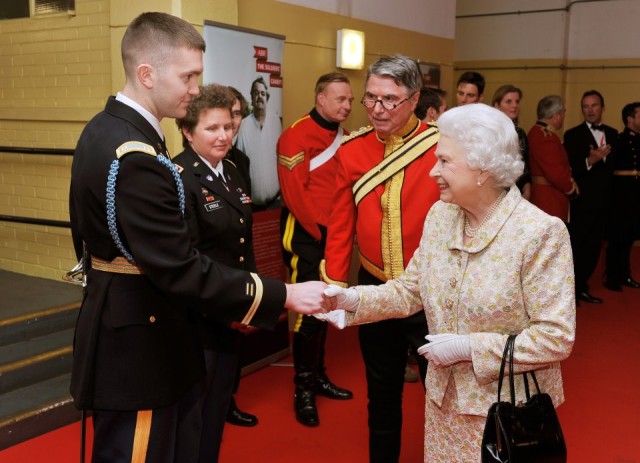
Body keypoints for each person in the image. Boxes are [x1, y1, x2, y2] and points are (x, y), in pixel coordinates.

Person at [68, 12, 327, 462]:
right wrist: (283, 294)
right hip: (140, 341)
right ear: (147, 74)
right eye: (188, 76)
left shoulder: (107, 128)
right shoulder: (137, 154)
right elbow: (180, 266)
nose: (194, 89)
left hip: (127, 319)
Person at [324, 103, 576, 463]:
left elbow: (556, 337)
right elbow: (410, 289)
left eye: (444, 161)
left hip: (505, 413)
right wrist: (352, 301)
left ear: (482, 169)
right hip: (443, 402)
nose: (432, 172)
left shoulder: (539, 234)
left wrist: (468, 348)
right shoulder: (441, 215)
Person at [320, 55, 441, 463]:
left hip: (431, 292)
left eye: (390, 100)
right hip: (374, 290)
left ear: (415, 99)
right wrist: (335, 287)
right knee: (382, 394)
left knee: (442, 395)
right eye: (370, 99)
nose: (377, 110)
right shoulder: (352, 149)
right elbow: (340, 223)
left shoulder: (442, 146)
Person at [277, 72, 355, 426]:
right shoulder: (296, 135)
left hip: (333, 234)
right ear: (320, 98)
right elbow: (296, 195)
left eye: (350, 100)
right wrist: (322, 234)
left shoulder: (346, 136)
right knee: (308, 309)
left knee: (326, 304)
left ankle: (318, 375)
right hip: (307, 233)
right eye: (340, 99)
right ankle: (303, 388)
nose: (347, 105)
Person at [563, 90, 617, 304]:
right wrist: (590, 161)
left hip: (605, 202)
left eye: (594, 106)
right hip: (581, 202)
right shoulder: (572, 135)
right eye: (585, 106)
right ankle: (569, 293)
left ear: (602, 108)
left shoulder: (613, 134)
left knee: (594, 248)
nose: (590, 110)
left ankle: (582, 286)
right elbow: (569, 168)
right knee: (576, 247)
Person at [604, 102, 640, 291]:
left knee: (629, 238)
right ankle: (612, 277)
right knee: (617, 239)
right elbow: (610, 172)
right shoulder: (619, 141)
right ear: (630, 119)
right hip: (621, 197)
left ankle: (625, 274)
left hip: (635, 197)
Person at [527, 95, 578, 223]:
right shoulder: (544, 136)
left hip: (547, 195)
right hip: (549, 198)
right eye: (562, 113)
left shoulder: (539, 132)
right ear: (556, 115)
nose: (563, 117)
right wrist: (571, 189)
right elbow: (556, 172)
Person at [236, 76, 282, 210]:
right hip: (253, 206)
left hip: (276, 201)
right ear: (252, 97)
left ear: (267, 96)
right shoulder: (243, 126)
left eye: (262, 93)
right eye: (256, 93)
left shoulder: (276, 122)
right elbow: (240, 165)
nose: (259, 96)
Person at [491, 84, 531, 199]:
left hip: (519, 193)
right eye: (509, 102)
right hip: (495, 191)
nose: (514, 105)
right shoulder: (490, 132)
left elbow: (525, 165)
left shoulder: (520, 133)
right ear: (497, 105)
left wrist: (527, 187)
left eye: (517, 101)